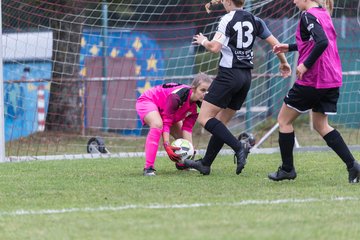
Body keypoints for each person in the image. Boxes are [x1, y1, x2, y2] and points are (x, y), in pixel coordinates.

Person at [184, 0, 291, 175]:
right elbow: (275, 44)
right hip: (245, 78)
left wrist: (203, 41)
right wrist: (284, 63)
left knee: (204, 118)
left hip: (228, 75)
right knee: (220, 122)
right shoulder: (256, 20)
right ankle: (205, 164)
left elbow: (214, 48)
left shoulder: (227, 19)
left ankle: (238, 147)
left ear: (227, 1)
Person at [268, 0, 360, 183]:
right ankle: (354, 166)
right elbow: (314, 41)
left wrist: (305, 64)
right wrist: (290, 47)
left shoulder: (308, 15)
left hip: (314, 79)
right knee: (321, 125)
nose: (294, 1)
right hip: (331, 78)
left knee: (283, 120)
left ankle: (287, 169)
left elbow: (322, 42)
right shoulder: (323, 12)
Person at [136, 73, 212, 176]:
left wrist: (190, 151)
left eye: (208, 91)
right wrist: (167, 145)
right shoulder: (176, 97)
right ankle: (148, 168)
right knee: (157, 124)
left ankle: (182, 164)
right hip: (149, 100)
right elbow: (166, 123)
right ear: (193, 89)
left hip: (168, 111)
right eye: (203, 90)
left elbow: (187, 128)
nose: (205, 94)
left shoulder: (199, 105)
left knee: (183, 142)